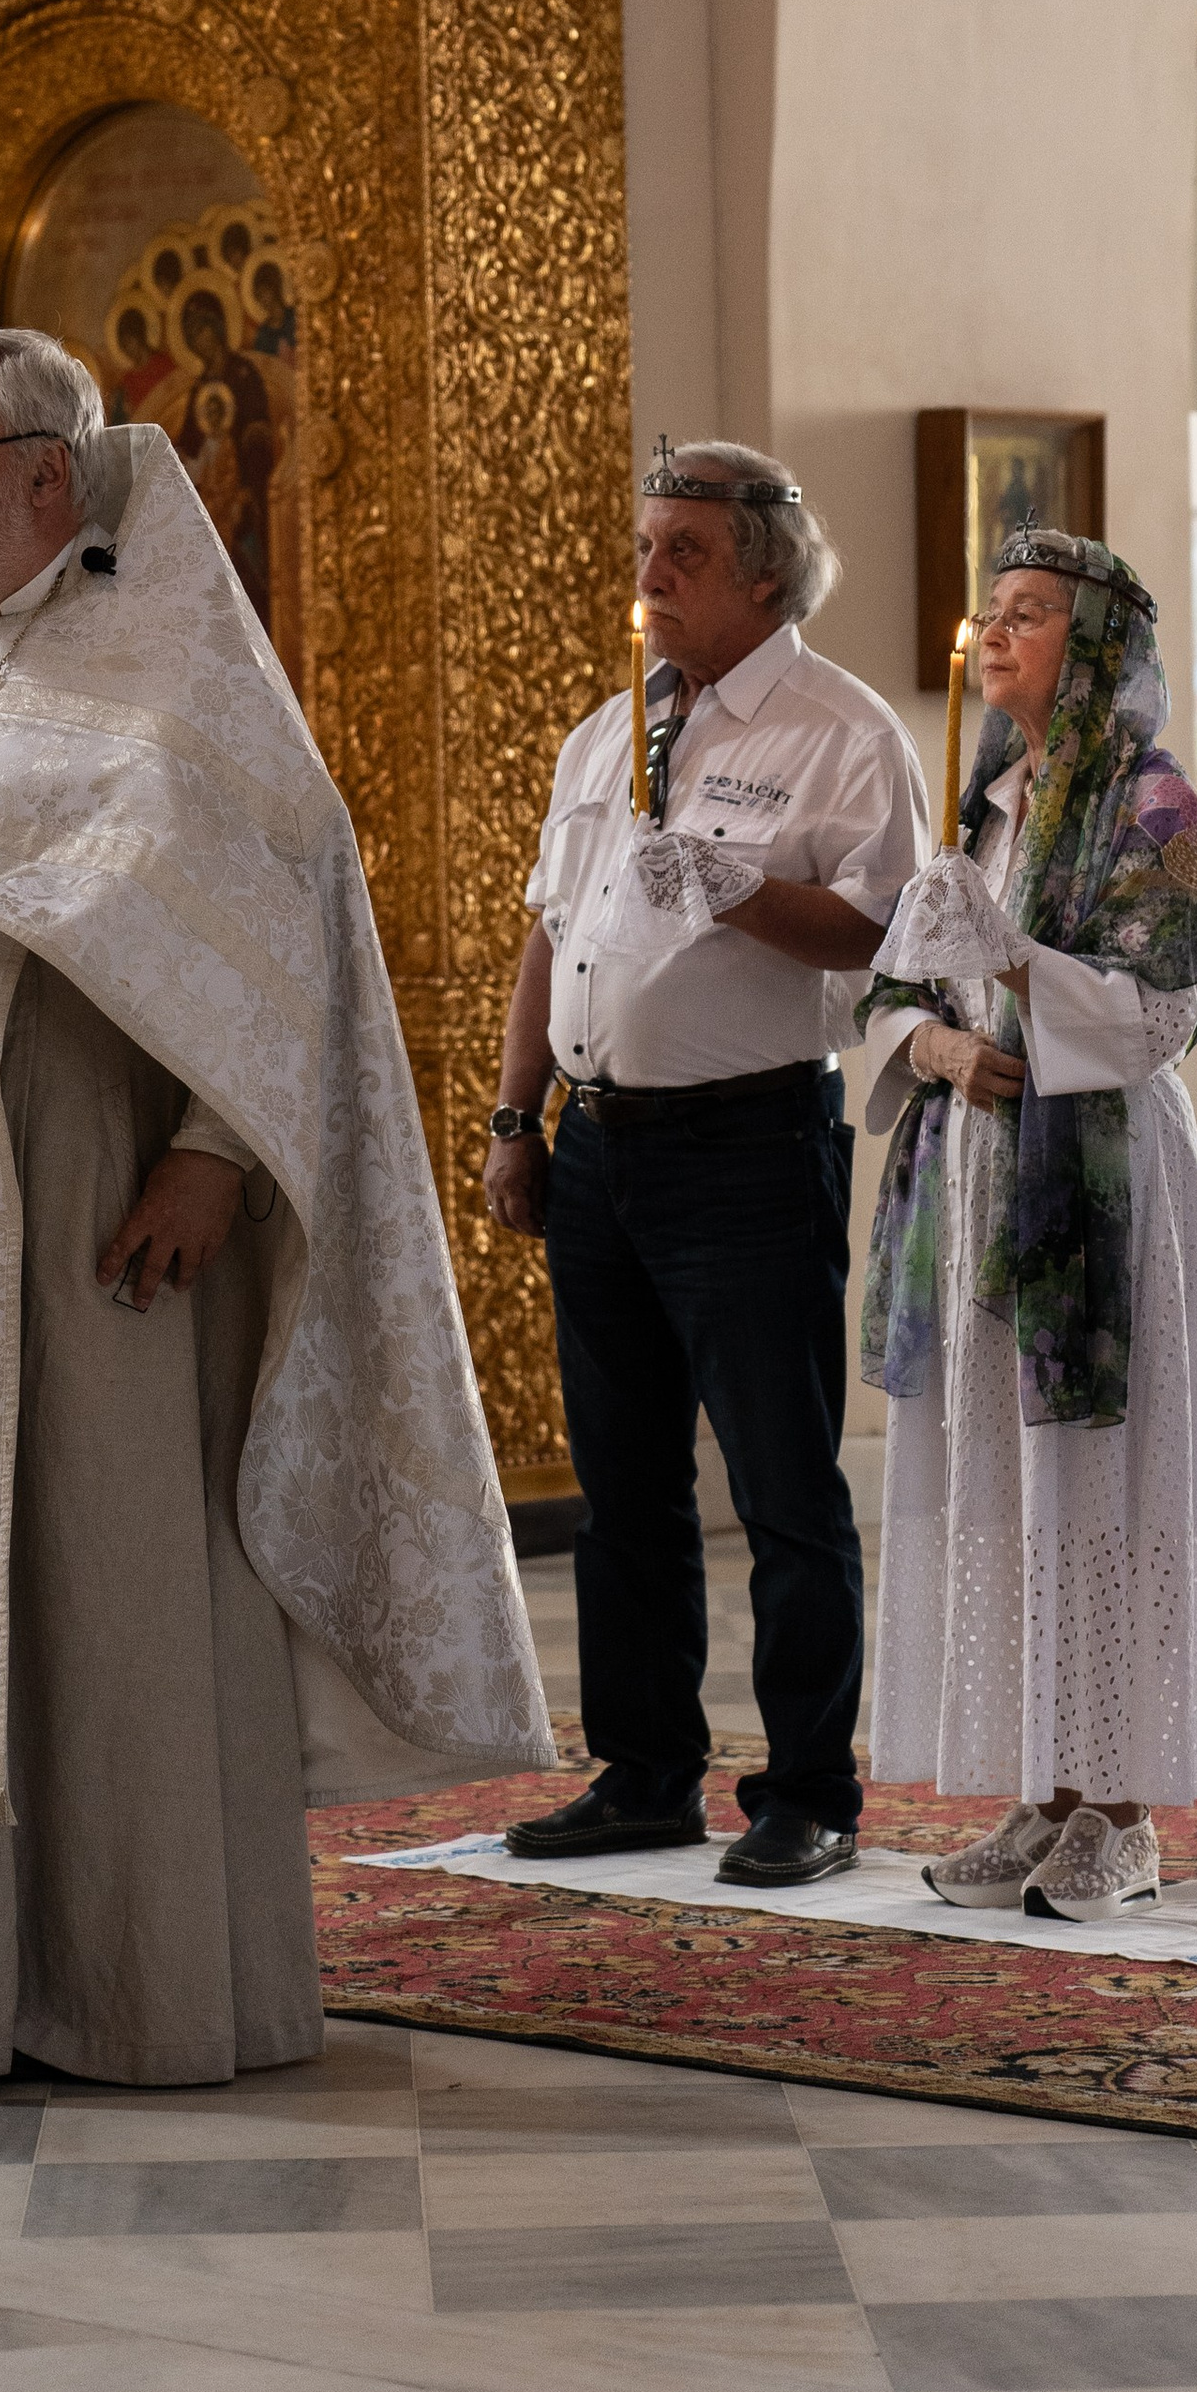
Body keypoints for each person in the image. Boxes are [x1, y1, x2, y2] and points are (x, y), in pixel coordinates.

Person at [0, 324, 549, 2085]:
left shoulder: (178, 677)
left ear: (49, 470)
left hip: (75, 1196)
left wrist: (214, 1148)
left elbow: (291, 907)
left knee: (88, 1572)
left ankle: (119, 1982)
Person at [484, 440, 927, 1890]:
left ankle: (809, 1788)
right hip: (602, 1146)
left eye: (680, 550)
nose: (649, 574)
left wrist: (741, 888)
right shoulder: (606, 728)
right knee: (624, 1487)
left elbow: (877, 936)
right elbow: (552, 930)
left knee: (785, 1487)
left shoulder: (840, 731)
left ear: (763, 572)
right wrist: (514, 1118)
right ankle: (644, 1773)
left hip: (745, 1146)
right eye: (645, 546)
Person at [859, 528, 1197, 1921]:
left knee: (1100, 1480)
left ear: (1095, 650)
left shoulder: (1152, 804)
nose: (993, 634)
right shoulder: (985, 796)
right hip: (979, 1170)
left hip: (1094, 1186)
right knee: (1004, 1479)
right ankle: (1039, 1792)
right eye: (989, 612)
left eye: (1027, 614)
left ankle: (1122, 1808)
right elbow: (889, 997)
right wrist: (931, 1045)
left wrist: (1013, 964)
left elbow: (1164, 1010)